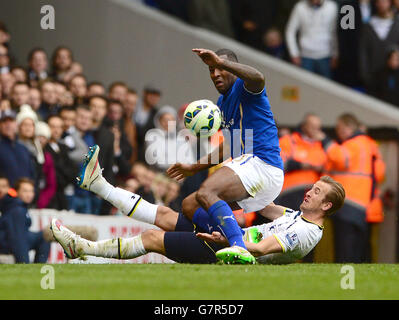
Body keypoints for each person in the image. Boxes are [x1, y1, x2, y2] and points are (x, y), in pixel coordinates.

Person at [51, 152, 345, 264]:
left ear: (327, 205)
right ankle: (98, 184)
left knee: (153, 238)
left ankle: (82, 248)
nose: (309, 192)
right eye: (312, 187)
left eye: (317, 192)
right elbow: (265, 206)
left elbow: (262, 248)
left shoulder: (306, 234)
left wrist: (230, 240)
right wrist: (240, 176)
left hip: (230, 256)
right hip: (232, 237)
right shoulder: (296, 216)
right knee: (171, 212)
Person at [166, 48, 284, 261]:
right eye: (212, 70)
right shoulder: (221, 104)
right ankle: (226, 242)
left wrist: (220, 61)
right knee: (190, 205)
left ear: (232, 69)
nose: (216, 74)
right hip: (252, 173)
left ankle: (238, 245)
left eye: (220, 68)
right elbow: (230, 146)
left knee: (206, 191)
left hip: (263, 165)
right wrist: (193, 168)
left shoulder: (245, 87)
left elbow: (259, 77)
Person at [322, 113, 386, 263]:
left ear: (347, 128)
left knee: (345, 250)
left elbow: (339, 158)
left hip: (347, 202)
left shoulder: (353, 144)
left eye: (339, 128)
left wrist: (325, 140)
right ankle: (354, 282)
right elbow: (380, 173)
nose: (338, 132)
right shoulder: (371, 147)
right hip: (363, 205)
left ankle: (345, 283)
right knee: (359, 250)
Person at [0, 177, 50, 263]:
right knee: (42, 237)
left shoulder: (18, 205)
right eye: (25, 191)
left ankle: (39, 266)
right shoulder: (17, 210)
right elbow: (18, 239)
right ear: (17, 192)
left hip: (14, 239)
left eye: (31, 191)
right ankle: (36, 267)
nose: (29, 194)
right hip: (7, 242)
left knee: (44, 236)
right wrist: (24, 262)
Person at [285, 0, 338, 79]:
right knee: (305, 86)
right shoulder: (300, 7)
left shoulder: (332, 7)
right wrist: (294, 53)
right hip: (306, 56)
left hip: (326, 55)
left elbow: (335, 32)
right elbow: (290, 31)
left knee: (326, 87)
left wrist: (335, 54)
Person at [359, 0, 399, 94]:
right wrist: (365, 76)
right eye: (379, 2)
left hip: (394, 80)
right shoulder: (368, 25)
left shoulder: (396, 25)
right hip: (373, 78)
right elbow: (363, 54)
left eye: (385, 1)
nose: (382, 4)